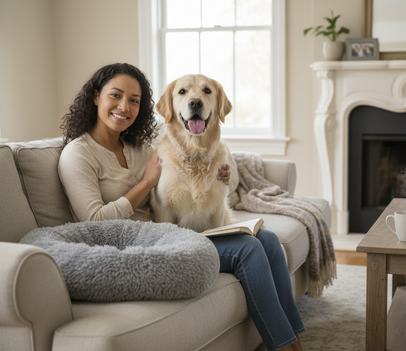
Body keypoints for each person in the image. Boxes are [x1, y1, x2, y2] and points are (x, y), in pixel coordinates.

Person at [58, 63, 305, 351]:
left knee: (270, 241)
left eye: (134, 100)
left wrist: (223, 174)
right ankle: (286, 347)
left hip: (164, 234)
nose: (124, 106)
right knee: (247, 249)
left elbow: (193, 170)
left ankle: (295, 336)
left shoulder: (137, 147)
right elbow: (93, 220)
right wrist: (147, 183)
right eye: (115, 95)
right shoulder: (77, 154)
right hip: (139, 247)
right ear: (96, 97)